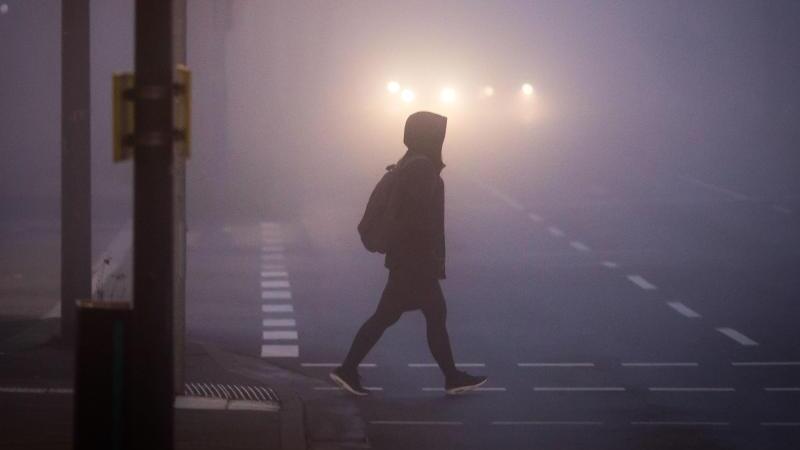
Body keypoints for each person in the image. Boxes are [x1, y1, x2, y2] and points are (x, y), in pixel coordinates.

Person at [330, 111, 487, 396]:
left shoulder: (411, 162)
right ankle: (348, 369)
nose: (441, 139)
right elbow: (415, 217)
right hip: (414, 261)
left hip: (408, 259)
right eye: (438, 134)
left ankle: (450, 376)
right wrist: (425, 258)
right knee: (413, 315)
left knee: (408, 315)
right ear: (429, 136)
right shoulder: (422, 169)